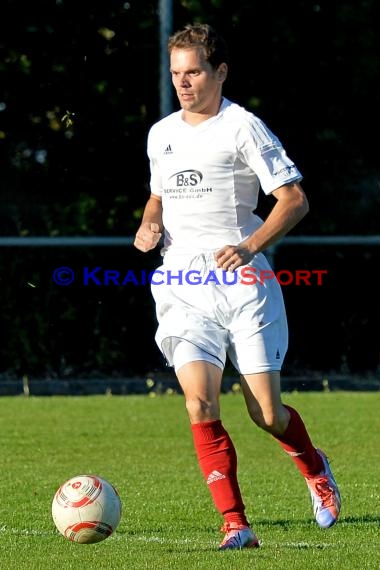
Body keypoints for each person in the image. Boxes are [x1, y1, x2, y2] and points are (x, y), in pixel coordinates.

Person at [134, 23, 341, 550]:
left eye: (195, 71)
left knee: (265, 413)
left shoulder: (243, 127)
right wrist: (149, 221)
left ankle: (316, 468)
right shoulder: (161, 133)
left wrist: (251, 246)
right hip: (182, 280)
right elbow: (158, 196)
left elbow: (293, 200)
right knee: (199, 403)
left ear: (219, 72)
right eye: (177, 73)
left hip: (243, 281)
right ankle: (235, 524)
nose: (184, 83)